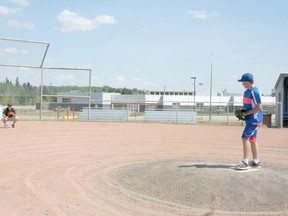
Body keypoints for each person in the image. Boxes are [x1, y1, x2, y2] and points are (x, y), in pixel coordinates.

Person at [236, 73, 263, 169]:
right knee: (252, 139)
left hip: (254, 119)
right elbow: (249, 105)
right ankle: (255, 161)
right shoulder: (247, 91)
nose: (242, 83)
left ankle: (245, 162)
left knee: (245, 138)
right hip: (250, 119)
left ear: (247, 82)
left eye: (243, 82)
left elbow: (259, 106)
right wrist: (244, 111)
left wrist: (247, 114)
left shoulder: (254, 91)